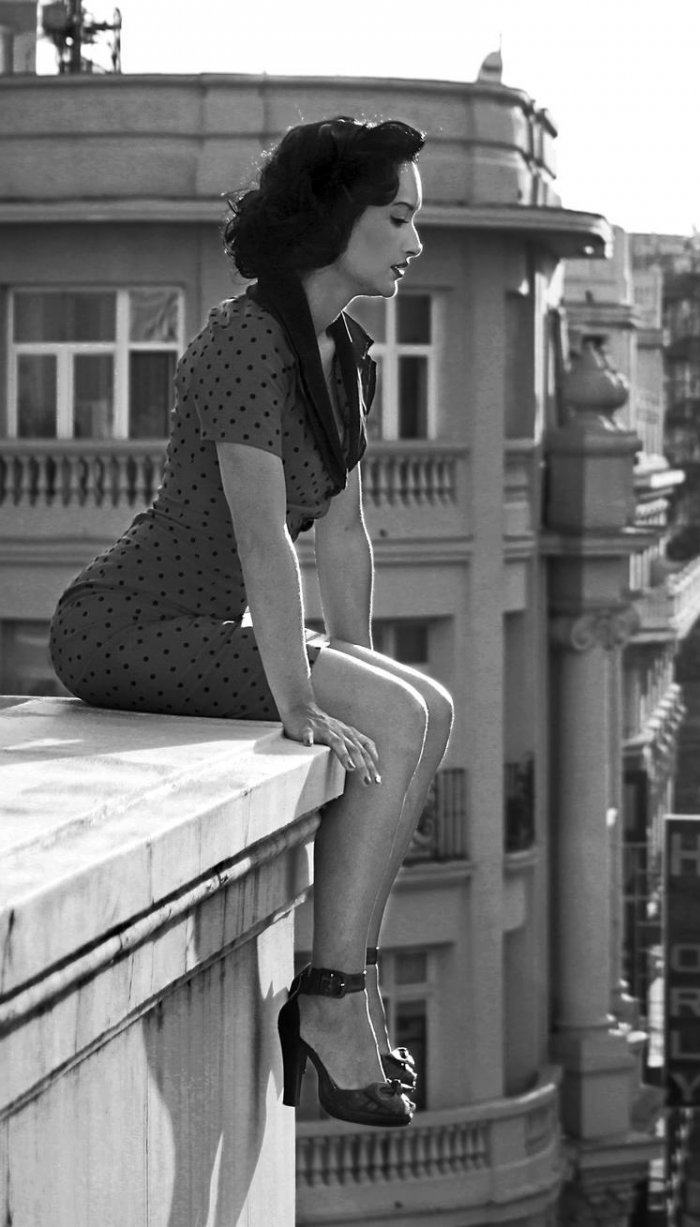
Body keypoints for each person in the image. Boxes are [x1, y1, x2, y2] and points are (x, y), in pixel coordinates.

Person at [47, 116, 442, 1128]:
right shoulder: (243, 343)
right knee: (395, 723)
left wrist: (358, 670)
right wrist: (307, 699)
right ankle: (335, 1008)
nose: (412, 242)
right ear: (333, 218)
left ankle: (338, 991)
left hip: (204, 634)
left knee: (424, 707)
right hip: (123, 627)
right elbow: (267, 538)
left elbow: (345, 535)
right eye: (395, 217)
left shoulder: (342, 351)